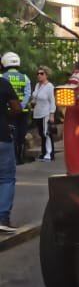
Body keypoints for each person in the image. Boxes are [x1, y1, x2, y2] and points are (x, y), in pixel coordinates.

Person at [0, 67, 21, 231]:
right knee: (6, 178)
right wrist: (7, 117)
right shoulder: (4, 84)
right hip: (2, 135)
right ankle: (3, 219)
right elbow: (16, 108)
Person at [1, 51, 31, 164]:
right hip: (23, 111)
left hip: (8, 113)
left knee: (11, 134)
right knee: (21, 135)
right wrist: (21, 106)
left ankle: (13, 158)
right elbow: (28, 94)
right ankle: (20, 157)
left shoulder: (2, 77)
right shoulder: (25, 77)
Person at [32, 67, 56, 162]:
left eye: (41, 73)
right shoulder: (37, 85)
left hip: (46, 112)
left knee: (47, 133)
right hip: (37, 112)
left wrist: (52, 115)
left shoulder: (49, 86)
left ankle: (49, 154)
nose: (39, 75)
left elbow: (52, 101)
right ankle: (44, 152)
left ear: (46, 75)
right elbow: (35, 97)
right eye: (38, 73)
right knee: (41, 134)